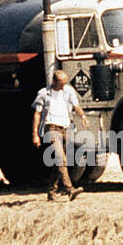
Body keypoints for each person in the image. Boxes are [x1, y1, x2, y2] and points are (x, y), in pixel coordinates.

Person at [31, 68, 91, 200]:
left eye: (65, 82)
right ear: (54, 81)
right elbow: (37, 114)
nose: (64, 85)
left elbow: (76, 106)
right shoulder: (44, 93)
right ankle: (70, 189)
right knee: (60, 159)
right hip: (51, 127)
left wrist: (83, 117)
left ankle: (51, 191)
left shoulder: (69, 91)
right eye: (61, 83)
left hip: (66, 127)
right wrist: (35, 134)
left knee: (61, 162)